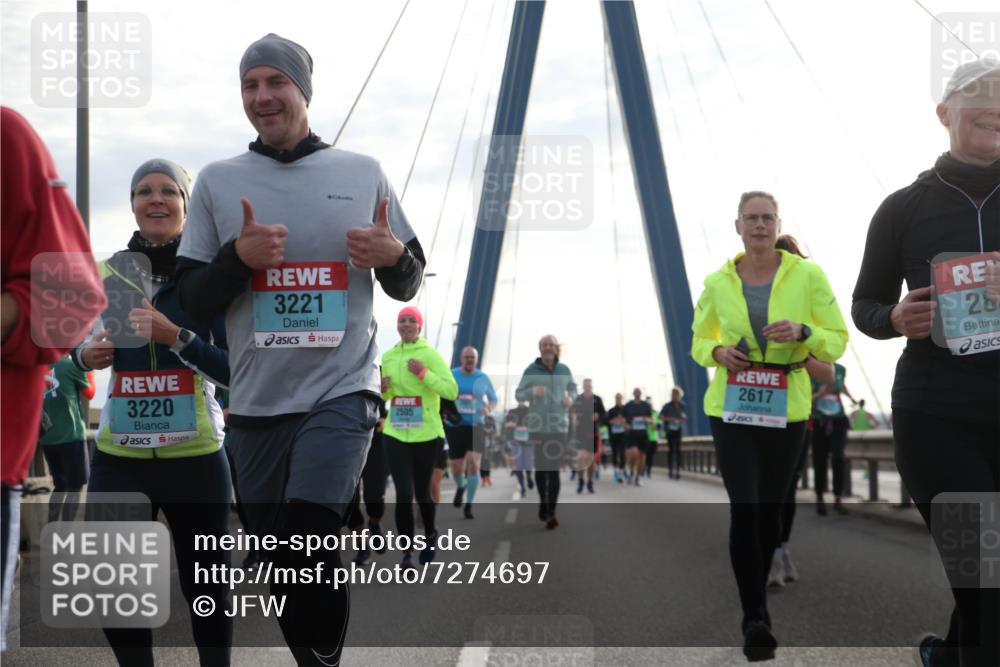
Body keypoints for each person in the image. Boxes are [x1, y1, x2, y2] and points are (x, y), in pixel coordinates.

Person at [175, 34, 425, 666]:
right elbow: (193, 299)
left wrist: (394, 258)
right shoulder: (217, 181)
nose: (263, 97)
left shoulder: (361, 171)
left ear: (302, 92)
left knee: (306, 536)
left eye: (275, 83)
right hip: (256, 404)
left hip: (342, 389)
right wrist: (239, 258)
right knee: (279, 561)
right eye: (250, 86)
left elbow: (409, 275)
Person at [852, 57, 999, 667]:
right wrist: (894, 319)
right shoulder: (902, 208)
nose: (994, 106)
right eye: (979, 98)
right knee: (988, 583)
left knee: (986, 587)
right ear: (944, 114)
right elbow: (864, 303)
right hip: (936, 417)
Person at [73, 158, 232, 665]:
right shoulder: (105, 274)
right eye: (144, 190)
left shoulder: (209, 278)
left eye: (168, 190)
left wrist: (179, 339)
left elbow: (238, 371)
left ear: (187, 206)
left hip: (197, 457)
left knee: (205, 590)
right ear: (133, 204)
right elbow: (68, 343)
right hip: (121, 457)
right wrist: (84, 355)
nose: (156, 198)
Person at [692, 190, 848, 662]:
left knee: (771, 511)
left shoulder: (808, 274)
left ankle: (761, 585)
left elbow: (837, 340)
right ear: (737, 226)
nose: (760, 225)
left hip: (786, 405)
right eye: (751, 218)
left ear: (778, 225)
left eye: (768, 218)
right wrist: (718, 353)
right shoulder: (718, 282)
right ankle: (755, 618)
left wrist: (805, 333)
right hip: (731, 406)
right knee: (746, 506)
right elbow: (700, 340)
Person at [1, 107, 106, 651]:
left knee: (74, 487)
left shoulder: (6, 137)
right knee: (70, 489)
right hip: (55, 436)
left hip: (52, 441)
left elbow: (71, 304)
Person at [768, 234, 836, 589]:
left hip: (796, 417)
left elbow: (828, 373)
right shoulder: (750, 308)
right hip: (753, 417)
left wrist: (799, 350)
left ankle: (780, 549)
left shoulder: (808, 323)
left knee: (787, 490)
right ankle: (766, 551)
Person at [380, 306, 457, 567]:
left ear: (419, 326)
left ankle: (431, 534)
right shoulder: (389, 356)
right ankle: (407, 554)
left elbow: (451, 391)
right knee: (403, 493)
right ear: (398, 325)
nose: (406, 324)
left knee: (422, 492)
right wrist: (383, 390)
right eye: (402, 320)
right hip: (396, 432)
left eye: (412, 320)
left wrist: (424, 373)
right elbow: (388, 397)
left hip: (427, 434)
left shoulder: (430, 355)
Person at [515, 334, 576, 529]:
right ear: (539, 348)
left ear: (556, 348)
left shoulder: (564, 370)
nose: (548, 347)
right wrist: (532, 392)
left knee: (554, 469)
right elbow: (518, 394)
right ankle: (543, 501)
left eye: (551, 344)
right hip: (538, 427)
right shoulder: (531, 370)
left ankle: (552, 511)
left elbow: (573, 389)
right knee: (542, 468)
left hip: (559, 426)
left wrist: (571, 399)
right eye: (544, 345)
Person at [39, 355, 95, 522]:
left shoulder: (38, 368)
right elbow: (90, 393)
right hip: (72, 436)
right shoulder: (70, 365)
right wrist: (89, 369)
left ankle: (51, 528)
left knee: (60, 485)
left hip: (48, 439)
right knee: (75, 487)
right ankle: (65, 534)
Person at [448, 346, 497, 519]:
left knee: (473, 465)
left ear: (476, 360)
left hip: (476, 426)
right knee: (457, 468)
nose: (469, 359)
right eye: (466, 356)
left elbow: (494, 399)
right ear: (461, 358)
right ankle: (461, 486)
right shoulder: (452, 374)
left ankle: (468, 505)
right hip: (455, 426)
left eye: (472, 357)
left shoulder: (482, 378)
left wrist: (488, 408)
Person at [810, 362, 856, 515]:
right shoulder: (810, 366)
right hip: (818, 420)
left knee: (838, 458)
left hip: (838, 419)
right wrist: (819, 395)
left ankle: (838, 498)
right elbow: (805, 397)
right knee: (820, 459)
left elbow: (841, 386)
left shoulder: (841, 369)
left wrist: (851, 399)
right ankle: (820, 498)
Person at [348, 399, 389, 566]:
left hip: (375, 443)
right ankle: (362, 547)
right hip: (346, 444)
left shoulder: (378, 374)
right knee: (349, 501)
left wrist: (388, 419)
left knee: (374, 497)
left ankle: (375, 523)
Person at [571, 378, 605, 494]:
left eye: (589, 386)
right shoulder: (578, 399)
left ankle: (590, 481)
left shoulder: (597, 399)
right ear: (583, 386)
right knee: (581, 458)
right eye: (585, 386)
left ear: (592, 386)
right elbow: (571, 412)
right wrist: (573, 418)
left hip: (592, 433)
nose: (587, 387)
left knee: (590, 460)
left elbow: (604, 415)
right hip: (579, 433)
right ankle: (581, 480)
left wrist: (598, 416)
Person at [504, 400, 534, 499]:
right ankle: (522, 488)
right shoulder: (512, 411)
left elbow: (536, 425)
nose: (521, 400)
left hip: (528, 441)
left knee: (528, 464)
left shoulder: (531, 411)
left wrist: (527, 427)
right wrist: (512, 425)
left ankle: (529, 477)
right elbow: (507, 425)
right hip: (516, 441)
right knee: (519, 465)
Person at [621, 388, 652, 486]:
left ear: (641, 394)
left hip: (643, 433)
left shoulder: (646, 405)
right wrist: (626, 425)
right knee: (634, 454)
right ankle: (631, 472)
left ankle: (637, 477)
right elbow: (622, 419)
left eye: (639, 392)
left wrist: (647, 420)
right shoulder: (628, 405)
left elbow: (651, 419)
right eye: (636, 392)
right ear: (633, 393)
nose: (637, 393)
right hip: (632, 433)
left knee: (642, 457)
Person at [659, 387, 687, 480]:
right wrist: (669, 419)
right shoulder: (666, 406)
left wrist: (681, 418)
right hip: (669, 430)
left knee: (678, 450)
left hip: (678, 430)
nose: (675, 396)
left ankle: (678, 470)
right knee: (671, 450)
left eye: (676, 395)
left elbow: (684, 416)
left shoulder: (682, 405)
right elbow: (660, 417)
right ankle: (670, 470)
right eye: (673, 394)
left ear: (679, 396)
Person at [605, 393, 629, 483]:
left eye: (620, 398)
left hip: (623, 435)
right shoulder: (611, 411)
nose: (618, 399)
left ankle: (621, 472)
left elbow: (629, 421)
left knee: (622, 454)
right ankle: (615, 471)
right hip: (613, 436)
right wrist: (613, 421)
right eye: (617, 398)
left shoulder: (625, 410)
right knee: (615, 453)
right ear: (615, 399)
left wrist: (623, 421)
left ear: (622, 399)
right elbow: (606, 422)